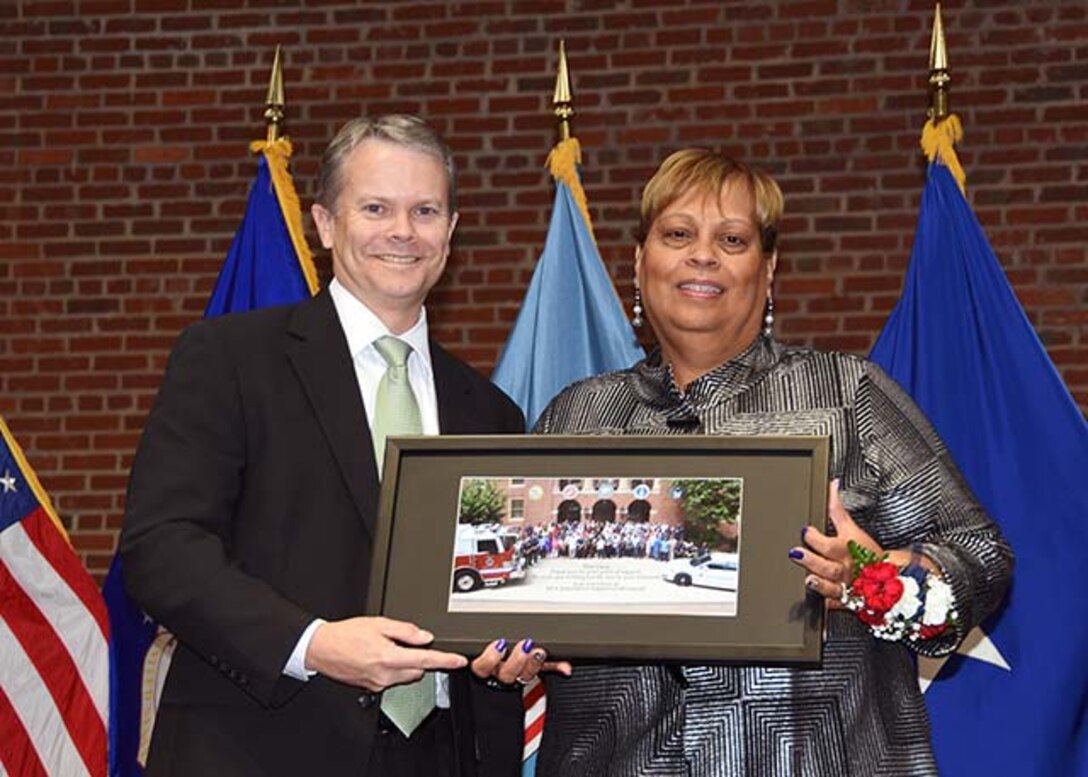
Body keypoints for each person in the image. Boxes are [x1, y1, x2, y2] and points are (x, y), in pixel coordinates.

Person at [532, 149, 1013, 776]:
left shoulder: (848, 395)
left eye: (732, 239)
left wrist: (871, 578)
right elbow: (527, 599)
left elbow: (982, 556)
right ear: (640, 261)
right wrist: (506, 651)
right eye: (678, 234)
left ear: (768, 269)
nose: (702, 255)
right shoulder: (576, 415)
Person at [120, 114, 552, 777]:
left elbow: (485, 593)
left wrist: (500, 661)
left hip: (439, 756)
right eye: (376, 207)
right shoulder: (230, 359)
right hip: (258, 747)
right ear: (324, 224)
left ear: (451, 231)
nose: (402, 231)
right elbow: (162, 549)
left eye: (425, 209)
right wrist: (313, 643)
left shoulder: (490, 411)